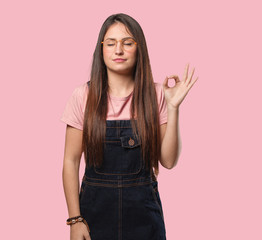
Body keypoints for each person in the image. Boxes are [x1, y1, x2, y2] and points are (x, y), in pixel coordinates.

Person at [61, 13, 198, 240]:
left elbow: (169, 161)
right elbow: (70, 161)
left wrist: (173, 107)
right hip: (94, 214)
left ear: (139, 48)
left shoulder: (156, 94)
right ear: (101, 48)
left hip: (144, 218)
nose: (118, 50)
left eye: (127, 43)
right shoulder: (83, 95)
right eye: (111, 43)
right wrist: (75, 220)